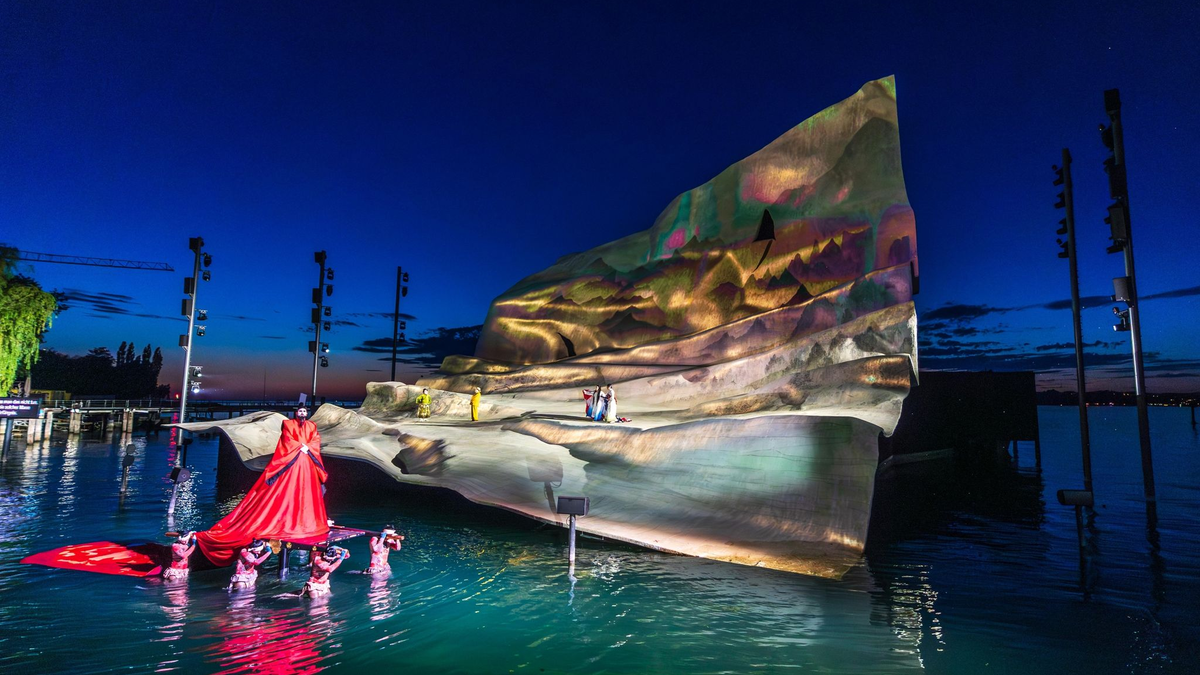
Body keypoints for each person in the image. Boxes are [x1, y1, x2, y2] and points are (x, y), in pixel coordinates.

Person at [194, 405, 329, 567]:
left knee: (306, 492)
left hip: (306, 458)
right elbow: (287, 440)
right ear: (296, 413)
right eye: (300, 411)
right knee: (288, 490)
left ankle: (304, 520)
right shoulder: (288, 424)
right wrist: (300, 447)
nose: (302, 413)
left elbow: (315, 439)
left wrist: (308, 448)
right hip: (295, 458)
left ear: (307, 413)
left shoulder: (311, 426)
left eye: (304, 411)